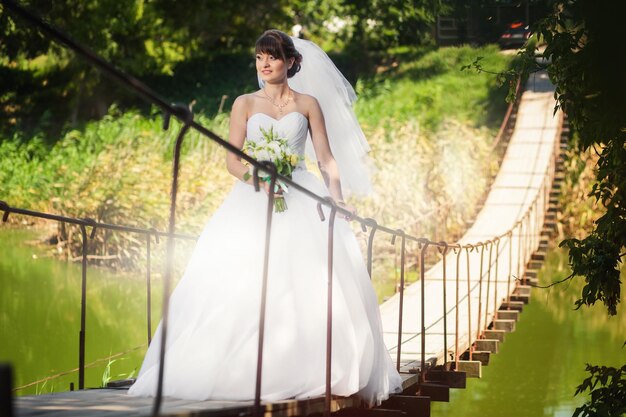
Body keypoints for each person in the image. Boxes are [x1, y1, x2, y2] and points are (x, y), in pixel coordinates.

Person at [128, 29, 402, 405]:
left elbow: (325, 159)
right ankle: (235, 367)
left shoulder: (308, 104)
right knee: (242, 278)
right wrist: (257, 179)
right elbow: (232, 160)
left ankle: (309, 367)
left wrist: (337, 199)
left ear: (290, 62)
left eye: (272, 57)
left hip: (303, 195)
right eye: (260, 57)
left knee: (308, 281)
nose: (265, 64)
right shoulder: (243, 103)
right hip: (253, 199)